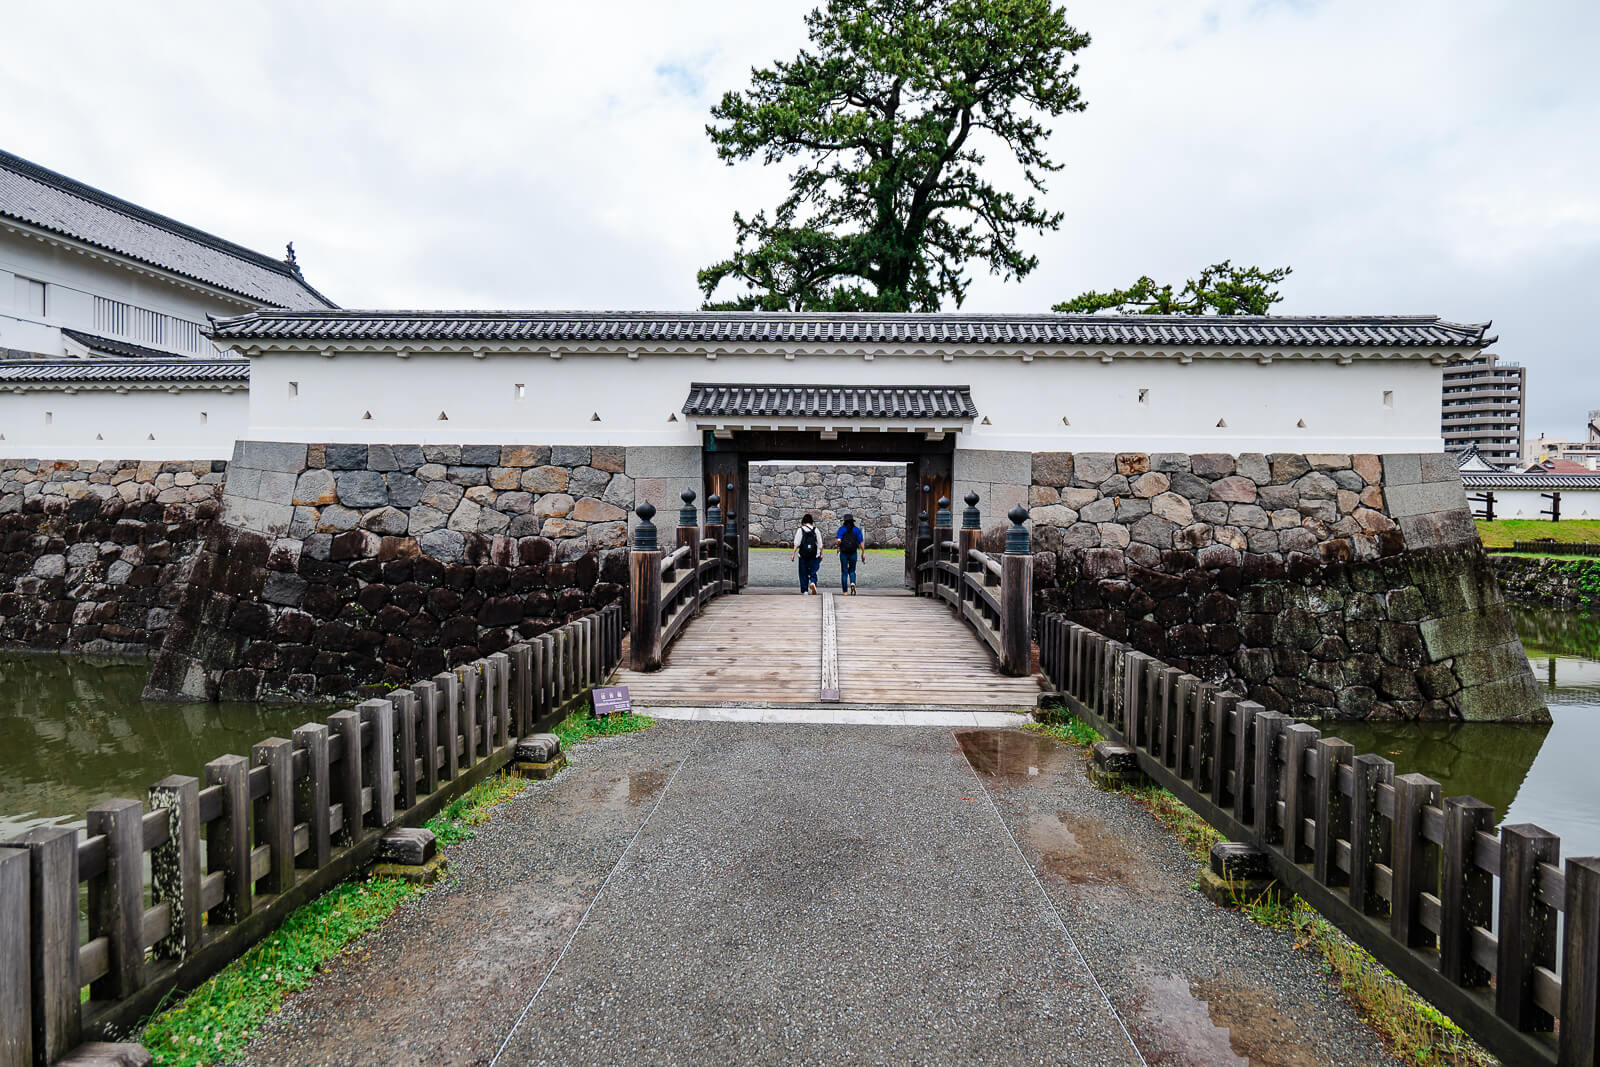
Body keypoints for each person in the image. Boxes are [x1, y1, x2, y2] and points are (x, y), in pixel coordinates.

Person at [835, 513, 865, 595]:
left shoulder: (841, 529)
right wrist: (863, 553)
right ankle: (852, 582)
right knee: (852, 570)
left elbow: (838, 541)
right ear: (853, 521)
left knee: (844, 572)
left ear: (844, 521)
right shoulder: (856, 530)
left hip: (844, 553)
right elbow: (861, 542)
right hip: (853, 552)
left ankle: (845, 591)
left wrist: (838, 547)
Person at [791, 513, 821, 594]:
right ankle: (813, 582)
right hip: (814, 555)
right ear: (811, 521)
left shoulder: (800, 530)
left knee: (803, 573)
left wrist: (793, 554)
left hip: (803, 555)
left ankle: (805, 590)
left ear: (803, 521)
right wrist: (821, 555)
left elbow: (796, 543)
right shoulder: (816, 530)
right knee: (813, 571)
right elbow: (820, 544)